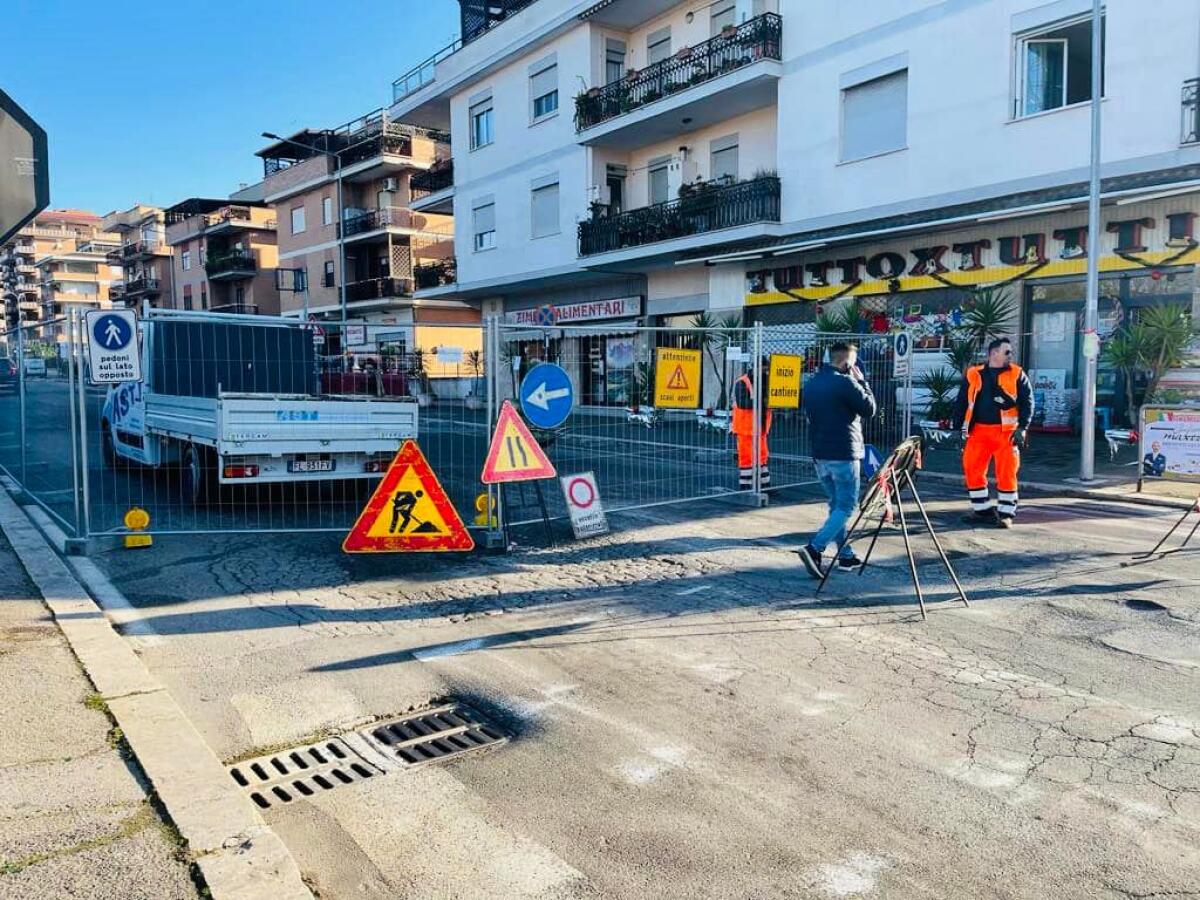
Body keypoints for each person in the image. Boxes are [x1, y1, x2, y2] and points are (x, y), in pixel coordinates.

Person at [797, 342, 877, 577]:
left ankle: (846, 556)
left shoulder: (812, 383)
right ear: (848, 362)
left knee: (836, 506)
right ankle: (814, 548)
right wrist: (862, 382)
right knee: (846, 506)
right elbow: (870, 409)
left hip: (820, 454)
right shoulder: (846, 382)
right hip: (844, 453)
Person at [953, 337, 1033, 529]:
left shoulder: (1017, 373)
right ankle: (982, 511)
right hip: (978, 431)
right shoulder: (973, 373)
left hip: (1006, 433)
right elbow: (962, 402)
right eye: (1007, 352)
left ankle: (1006, 514)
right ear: (994, 353)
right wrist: (957, 428)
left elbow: (1027, 402)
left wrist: (1023, 428)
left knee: (1006, 472)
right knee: (972, 469)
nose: (1010, 355)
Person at [731, 358, 771, 491]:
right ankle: (746, 486)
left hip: (761, 426)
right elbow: (743, 403)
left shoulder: (766, 381)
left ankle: (764, 486)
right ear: (756, 368)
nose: (765, 373)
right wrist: (763, 402)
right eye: (764, 370)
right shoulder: (742, 382)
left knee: (762, 456)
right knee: (747, 457)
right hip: (746, 427)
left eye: (767, 370)